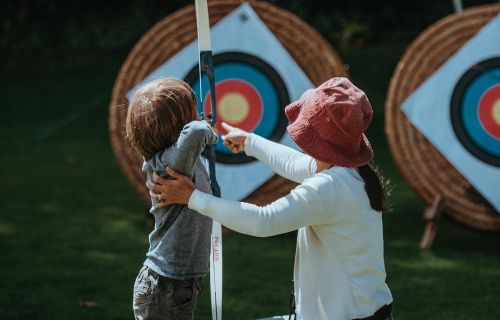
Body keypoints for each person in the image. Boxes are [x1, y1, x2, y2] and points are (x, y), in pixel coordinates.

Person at [150, 77, 394, 320]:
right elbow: (294, 163)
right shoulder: (348, 172)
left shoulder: (330, 186)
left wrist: (192, 197)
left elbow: (263, 221)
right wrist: (250, 142)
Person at [125, 77, 218, 320]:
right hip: (167, 286)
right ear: (180, 125)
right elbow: (197, 132)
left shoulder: (174, 160)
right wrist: (210, 129)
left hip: (173, 283)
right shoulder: (171, 163)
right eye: (193, 111)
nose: (199, 116)